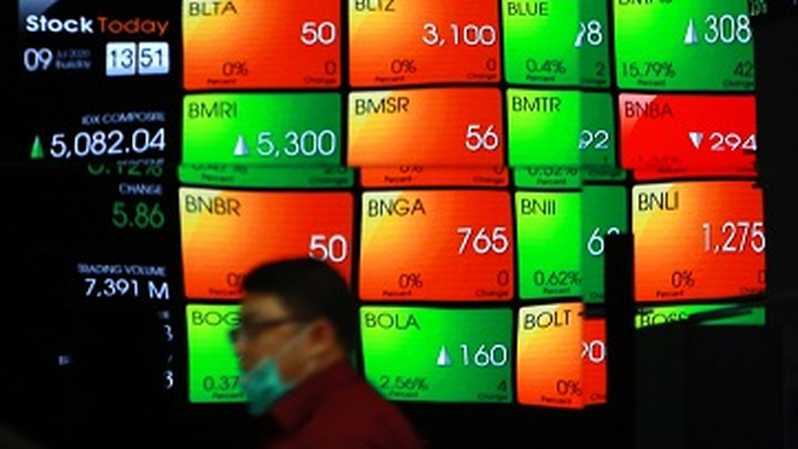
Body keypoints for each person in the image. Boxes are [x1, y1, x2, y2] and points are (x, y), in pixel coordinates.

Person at [232, 258, 424, 449]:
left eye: (255, 328)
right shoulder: (329, 417)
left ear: (319, 337)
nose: (239, 347)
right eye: (238, 332)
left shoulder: (339, 436)